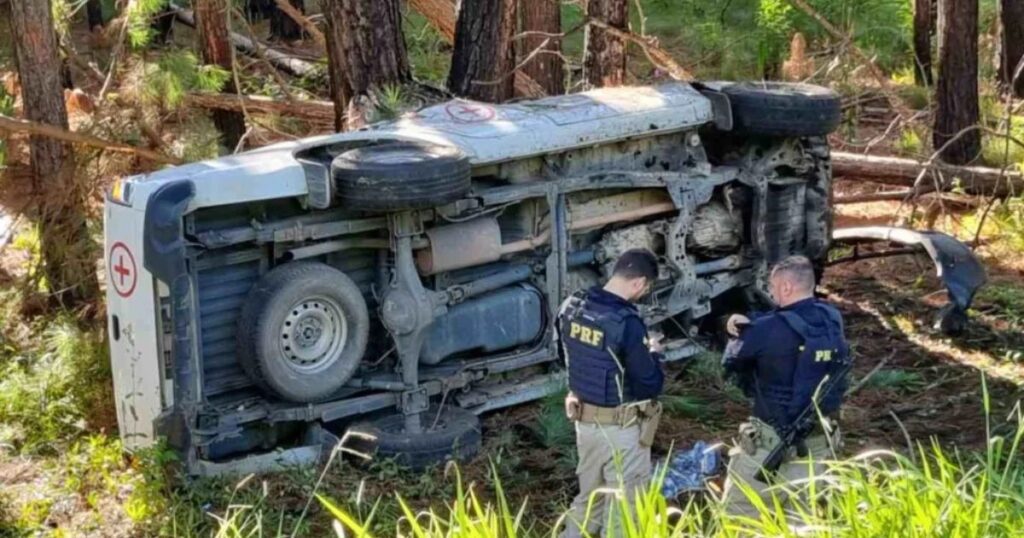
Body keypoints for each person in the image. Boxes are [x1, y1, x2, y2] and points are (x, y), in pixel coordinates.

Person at [720, 255, 850, 519]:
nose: (772, 293)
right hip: (819, 449)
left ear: (786, 287)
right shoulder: (832, 319)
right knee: (807, 523)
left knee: (739, 519)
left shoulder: (764, 327)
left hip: (768, 448)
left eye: (773, 286)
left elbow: (730, 363)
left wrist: (734, 328)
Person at [557, 248, 666, 538]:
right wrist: (654, 353)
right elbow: (649, 383)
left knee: (588, 500)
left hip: (585, 423)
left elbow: (565, 357)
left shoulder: (572, 305)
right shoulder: (627, 323)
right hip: (622, 429)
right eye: (645, 288)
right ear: (639, 283)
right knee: (624, 510)